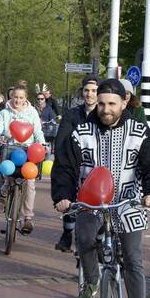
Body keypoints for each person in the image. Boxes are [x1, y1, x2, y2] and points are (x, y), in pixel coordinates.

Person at [51, 78, 150, 298]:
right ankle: (91, 283)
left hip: (128, 204)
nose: (105, 109)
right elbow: (65, 166)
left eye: (112, 104)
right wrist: (63, 196)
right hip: (90, 203)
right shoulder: (81, 132)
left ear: (124, 103)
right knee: (84, 238)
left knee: (134, 260)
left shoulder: (139, 131)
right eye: (102, 104)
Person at [0, 84, 45, 234]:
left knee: (30, 182)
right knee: (8, 175)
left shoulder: (32, 112)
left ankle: (27, 218)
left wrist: (42, 143)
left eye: (21, 97)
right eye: (15, 97)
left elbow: (37, 131)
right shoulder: (4, 112)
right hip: (10, 148)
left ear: (26, 98)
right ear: (11, 96)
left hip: (28, 150)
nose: (18, 100)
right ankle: (4, 194)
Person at [53, 75, 99, 252]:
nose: (90, 94)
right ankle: (67, 233)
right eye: (87, 90)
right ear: (82, 92)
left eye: (94, 91)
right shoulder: (72, 114)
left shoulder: (103, 114)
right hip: (75, 162)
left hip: (96, 164)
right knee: (69, 194)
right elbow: (62, 140)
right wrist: (64, 159)